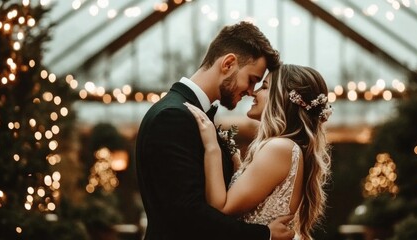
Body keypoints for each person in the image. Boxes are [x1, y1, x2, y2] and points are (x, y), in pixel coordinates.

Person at [135, 21, 295, 240]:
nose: (250, 92)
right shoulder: (172, 117)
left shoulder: (191, 115)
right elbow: (188, 215)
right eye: (252, 80)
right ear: (228, 63)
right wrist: (263, 234)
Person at [185, 64, 333, 240]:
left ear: (283, 98)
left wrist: (212, 147)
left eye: (264, 86)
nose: (254, 92)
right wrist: (237, 166)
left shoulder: (279, 148)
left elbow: (221, 209)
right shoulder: (286, 148)